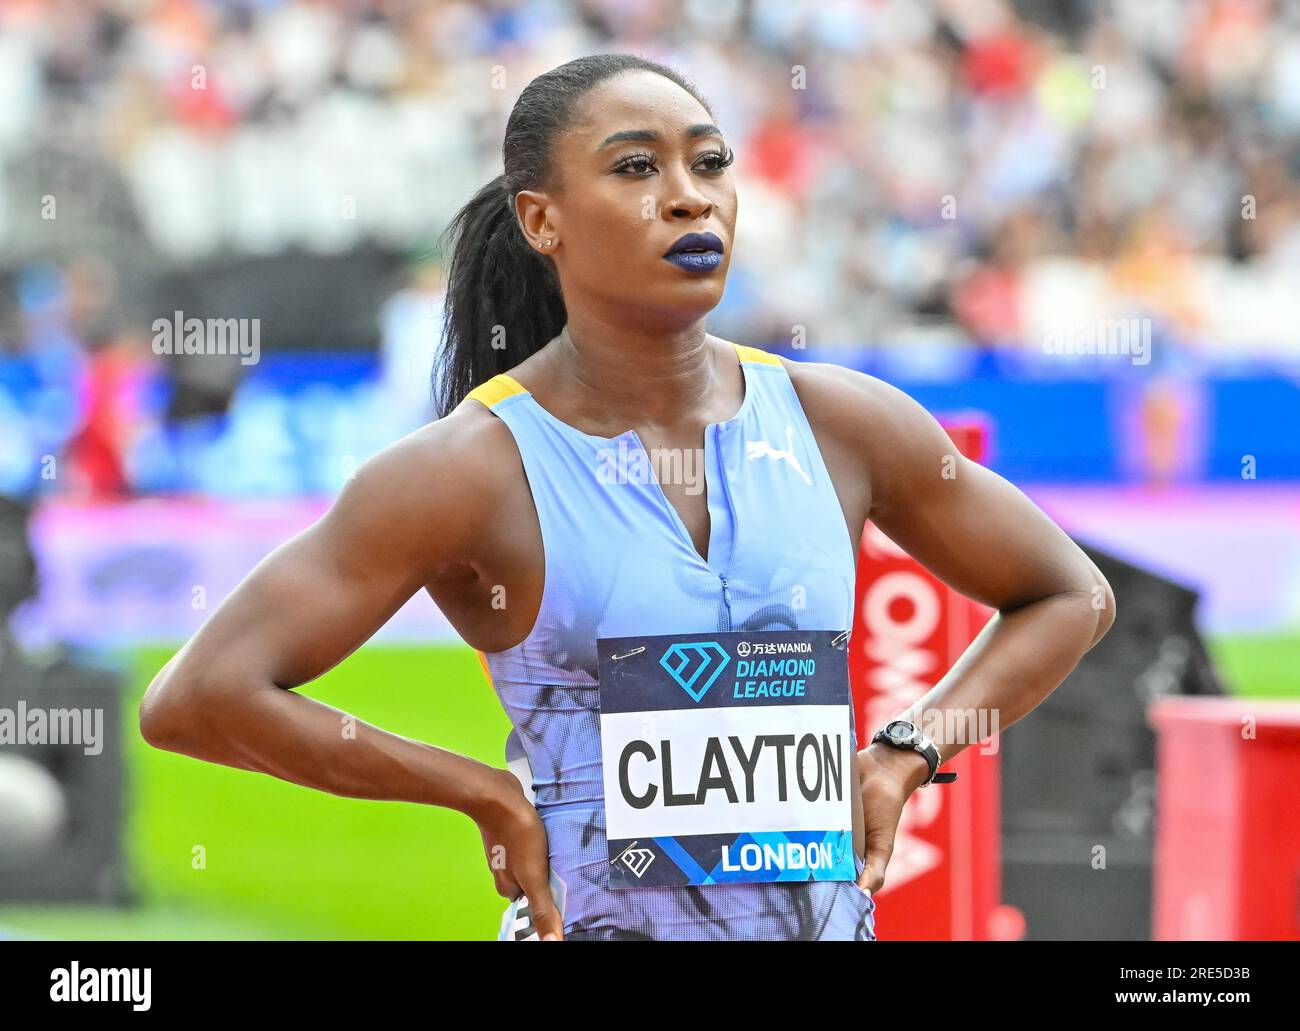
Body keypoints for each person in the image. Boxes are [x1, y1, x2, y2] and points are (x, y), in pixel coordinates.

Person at [139, 53, 1115, 941]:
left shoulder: (843, 422)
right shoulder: (469, 469)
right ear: (541, 220)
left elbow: (1069, 592)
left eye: (711, 162)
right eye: (636, 168)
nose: (691, 199)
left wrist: (906, 750)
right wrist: (483, 792)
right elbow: (198, 696)